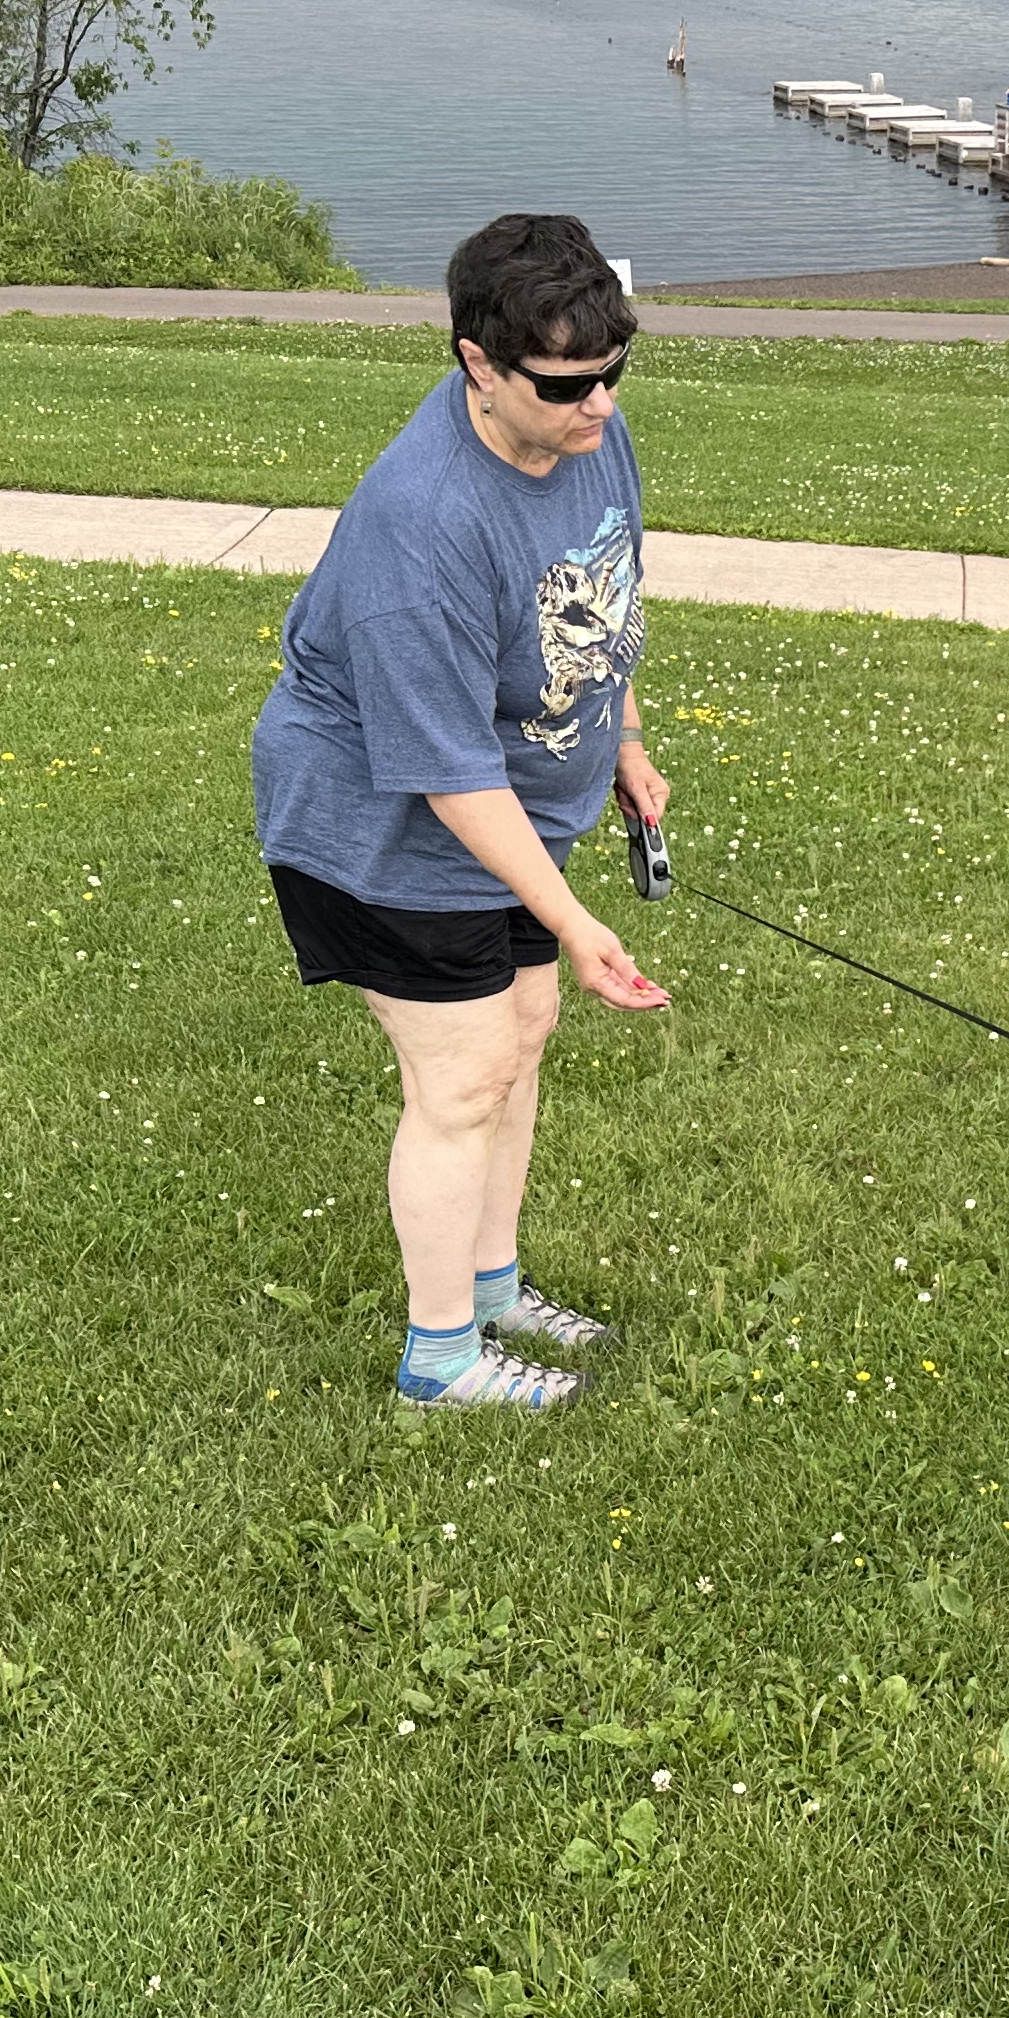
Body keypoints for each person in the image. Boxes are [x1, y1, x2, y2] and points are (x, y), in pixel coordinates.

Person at [251, 212, 670, 1412]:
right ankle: (441, 1360)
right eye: (568, 386)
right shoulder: (420, 525)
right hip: (377, 822)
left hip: (508, 812)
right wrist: (578, 920)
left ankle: (492, 1289)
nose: (599, 407)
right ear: (477, 362)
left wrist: (625, 737)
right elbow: (445, 772)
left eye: (613, 374)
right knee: (464, 1076)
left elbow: (608, 584)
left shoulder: (590, 427)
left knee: (521, 1034)